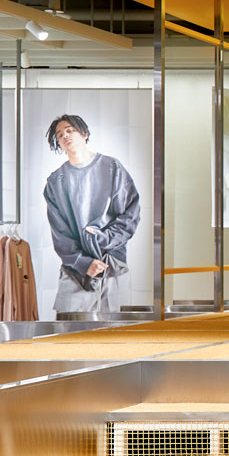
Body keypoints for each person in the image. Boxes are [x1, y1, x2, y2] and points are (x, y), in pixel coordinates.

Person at [42, 114, 141, 318]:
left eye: (70, 130)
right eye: (60, 135)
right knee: (70, 329)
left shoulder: (112, 168)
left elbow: (130, 213)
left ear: (84, 133)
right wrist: (83, 263)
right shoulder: (55, 182)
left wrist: (103, 240)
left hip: (110, 264)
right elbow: (60, 233)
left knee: (112, 329)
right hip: (75, 271)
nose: (65, 136)